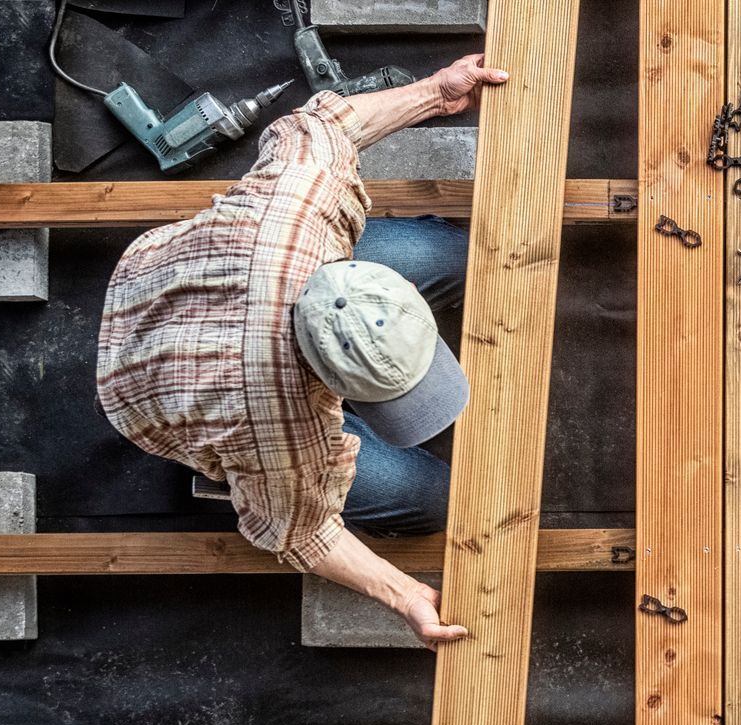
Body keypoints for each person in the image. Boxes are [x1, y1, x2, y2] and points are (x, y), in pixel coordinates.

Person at [95, 55, 510, 648]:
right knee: (426, 501)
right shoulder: (279, 432)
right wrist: (406, 595)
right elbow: (302, 535)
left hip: (171, 272)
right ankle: (225, 477)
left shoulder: (299, 210)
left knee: (455, 258)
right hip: (146, 388)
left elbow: (324, 122)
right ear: (319, 383)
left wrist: (436, 94)